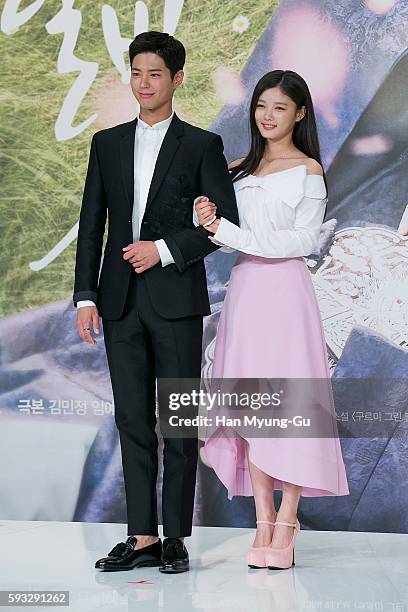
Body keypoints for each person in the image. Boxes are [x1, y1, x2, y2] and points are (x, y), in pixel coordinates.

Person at [73, 31, 239, 573]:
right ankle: (141, 536)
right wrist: (85, 296)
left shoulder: (202, 145)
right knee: (132, 421)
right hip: (118, 302)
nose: (145, 84)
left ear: (178, 80)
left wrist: (164, 250)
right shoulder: (107, 144)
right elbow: (92, 225)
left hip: (176, 302)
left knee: (179, 422)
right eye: (137, 73)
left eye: (156, 75)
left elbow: (222, 228)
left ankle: (176, 538)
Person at [194, 70, 349, 570]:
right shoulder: (236, 169)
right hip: (246, 291)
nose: (267, 115)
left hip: (286, 292)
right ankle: (263, 521)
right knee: (249, 407)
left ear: (299, 114)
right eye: (261, 105)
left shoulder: (309, 171)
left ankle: (288, 520)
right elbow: (221, 234)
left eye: (280, 107)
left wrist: (230, 232)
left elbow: (302, 242)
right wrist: (207, 219)